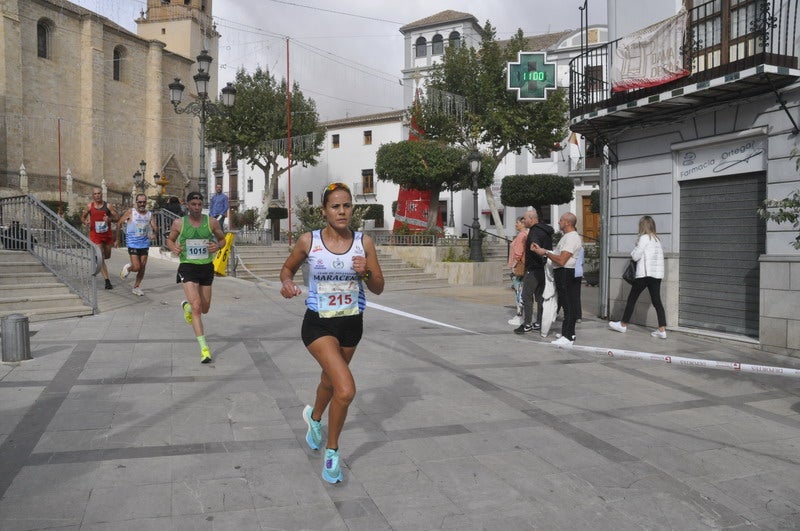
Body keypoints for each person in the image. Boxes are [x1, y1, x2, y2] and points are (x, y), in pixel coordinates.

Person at [279, 182, 384, 484]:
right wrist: (287, 284)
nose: (341, 211)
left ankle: (314, 418)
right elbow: (287, 270)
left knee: (330, 379)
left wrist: (365, 271)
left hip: (351, 324)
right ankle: (333, 451)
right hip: (319, 324)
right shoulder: (308, 241)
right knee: (346, 390)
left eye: (346, 205)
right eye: (335, 206)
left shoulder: (364, 242)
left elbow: (378, 287)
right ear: (324, 210)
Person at [165, 191, 227, 363]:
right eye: (193, 204)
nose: (197, 208)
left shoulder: (212, 222)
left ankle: (186, 307)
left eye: (199, 205)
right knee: (197, 306)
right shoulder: (179, 223)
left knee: (205, 308)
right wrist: (173, 247)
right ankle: (204, 349)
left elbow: (223, 240)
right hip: (188, 267)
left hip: (206, 267)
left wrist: (217, 246)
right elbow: (169, 240)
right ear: (187, 205)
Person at [609, 215, 667, 338]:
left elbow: (635, 257)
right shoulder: (657, 240)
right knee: (657, 301)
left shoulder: (644, 238)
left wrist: (635, 246)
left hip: (644, 275)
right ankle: (662, 330)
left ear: (642, 226)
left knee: (632, 299)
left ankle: (623, 324)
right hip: (656, 275)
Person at [532, 212, 582, 347]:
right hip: (563, 272)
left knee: (568, 305)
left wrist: (545, 253)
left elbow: (561, 260)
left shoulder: (571, 237)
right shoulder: (567, 236)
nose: (559, 222)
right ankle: (569, 333)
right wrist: (543, 250)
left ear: (568, 223)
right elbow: (558, 254)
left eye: (561, 220)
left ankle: (568, 336)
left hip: (566, 272)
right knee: (567, 304)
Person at [514, 209, 554, 334]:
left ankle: (527, 324)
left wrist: (532, 262)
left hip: (533, 269)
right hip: (544, 269)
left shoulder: (534, 232)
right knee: (540, 297)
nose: (523, 221)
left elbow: (536, 249)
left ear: (532, 219)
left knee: (526, 296)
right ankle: (539, 322)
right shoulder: (545, 230)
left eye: (525, 219)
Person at [116, 194, 158, 296]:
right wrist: (117, 239)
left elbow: (155, 227)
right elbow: (119, 223)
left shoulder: (149, 214)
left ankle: (136, 287)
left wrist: (154, 234)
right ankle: (128, 268)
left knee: (142, 267)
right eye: (140, 202)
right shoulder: (131, 212)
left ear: (146, 202)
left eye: (144, 202)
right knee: (136, 267)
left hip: (144, 243)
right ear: (136, 203)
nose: (142, 204)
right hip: (133, 243)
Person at [81, 188, 118, 290]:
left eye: (99, 193)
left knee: (107, 256)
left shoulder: (108, 206)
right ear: (93, 195)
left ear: (101, 194)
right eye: (95, 194)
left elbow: (117, 218)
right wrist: (85, 222)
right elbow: (82, 218)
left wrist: (109, 219)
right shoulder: (89, 206)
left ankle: (99, 259)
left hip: (107, 236)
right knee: (100, 257)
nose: (97, 195)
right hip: (95, 236)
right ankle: (107, 281)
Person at [507, 217, 528, 326]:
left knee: (519, 292)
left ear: (523, 224)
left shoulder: (521, 235)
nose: (515, 224)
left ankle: (519, 315)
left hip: (518, 267)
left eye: (517, 222)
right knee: (521, 291)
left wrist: (514, 266)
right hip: (523, 266)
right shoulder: (526, 234)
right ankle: (521, 315)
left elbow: (518, 253)